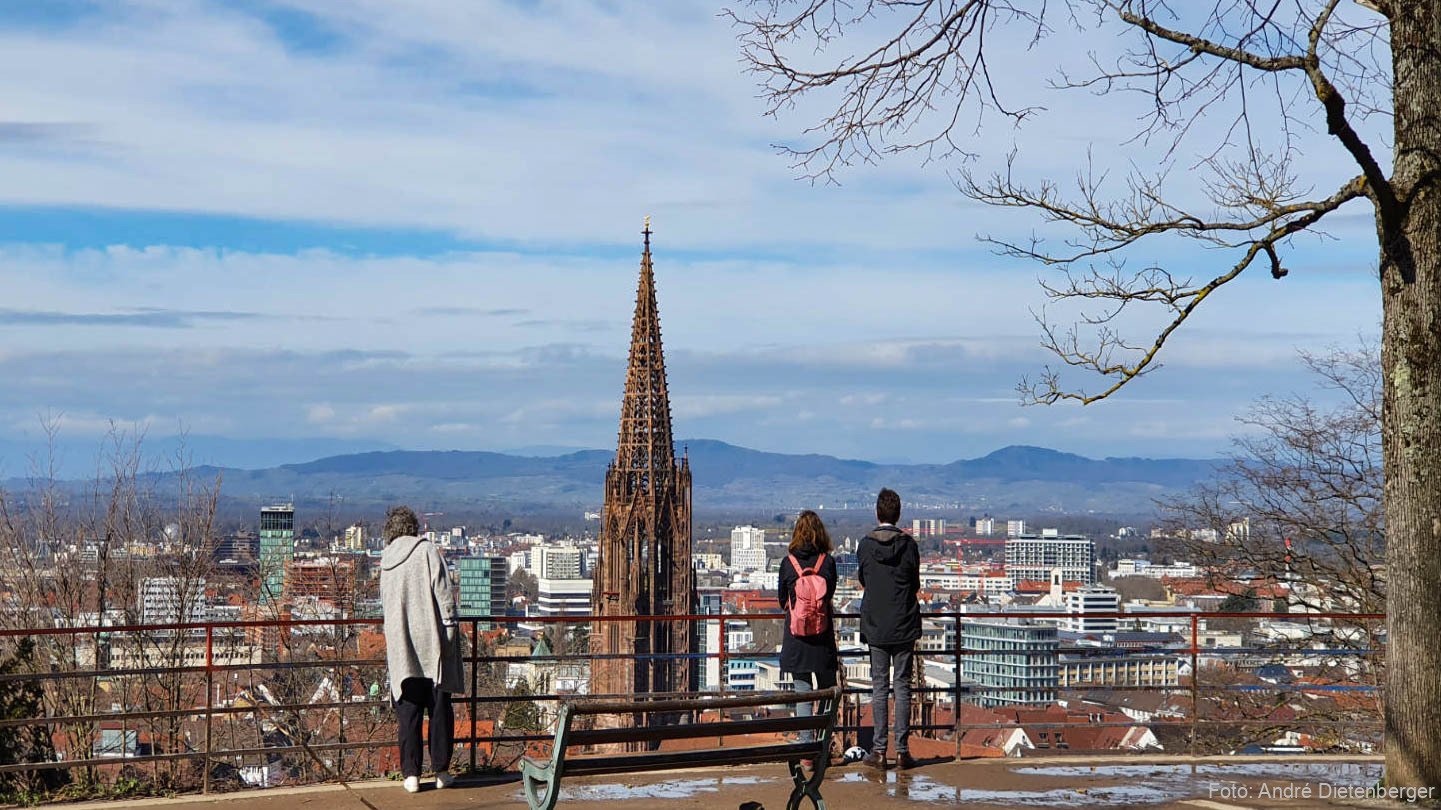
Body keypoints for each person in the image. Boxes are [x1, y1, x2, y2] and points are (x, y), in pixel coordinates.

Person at [380, 505, 462, 793]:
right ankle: (441, 770)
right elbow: (443, 593)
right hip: (431, 642)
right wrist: (450, 629)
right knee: (439, 709)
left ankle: (410, 775)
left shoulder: (385, 560)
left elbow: (385, 605)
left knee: (409, 712)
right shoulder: (427, 551)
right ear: (413, 527)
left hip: (401, 645)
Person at [857, 488, 920, 770]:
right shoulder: (910, 546)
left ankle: (879, 751)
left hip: (876, 624)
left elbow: (864, 580)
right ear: (898, 514)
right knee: (903, 686)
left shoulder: (865, 546)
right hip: (904, 623)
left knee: (879, 687)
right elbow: (915, 583)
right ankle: (903, 751)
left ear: (877, 513)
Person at [777, 510, 839, 760]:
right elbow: (829, 594)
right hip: (822, 639)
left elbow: (782, 600)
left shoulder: (787, 563)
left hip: (797, 640)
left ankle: (806, 751)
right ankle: (823, 747)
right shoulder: (828, 563)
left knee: (803, 694)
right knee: (825, 692)